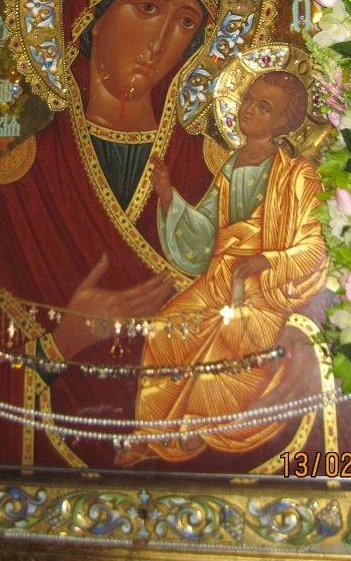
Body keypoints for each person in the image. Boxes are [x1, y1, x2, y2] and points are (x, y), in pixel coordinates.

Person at [0, 0, 225, 469]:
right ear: (89, 17)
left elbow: (272, 330)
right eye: (146, 8)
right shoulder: (20, 185)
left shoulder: (215, 172)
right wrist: (64, 340)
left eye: (185, 22)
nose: (161, 41)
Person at [118, 70, 328, 466]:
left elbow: (314, 248)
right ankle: (150, 431)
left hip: (263, 287)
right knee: (166, 328)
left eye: (263, 107)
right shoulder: (231, 166)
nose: (248, 110)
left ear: (282, 122)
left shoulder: (297, 175)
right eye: (248, 100)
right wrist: (168, 196)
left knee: (228, 340)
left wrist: (266, 260)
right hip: (218, 278)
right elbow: (205, 233)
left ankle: (196, 426)